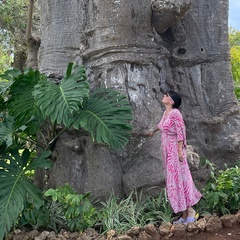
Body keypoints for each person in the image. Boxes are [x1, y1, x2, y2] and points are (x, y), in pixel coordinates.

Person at [148, 90, 202, 224]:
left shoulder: (176, 113)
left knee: (181, 179)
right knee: (175, 180)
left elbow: (181, 132)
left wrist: (179, 152)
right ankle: (184, 215)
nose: (164, 96)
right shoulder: (166, 113)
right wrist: (152, 131)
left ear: (171, 101)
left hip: (175, 152)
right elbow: (161, 126)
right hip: (167, 152)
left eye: (166, 95)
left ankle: (191, 211)